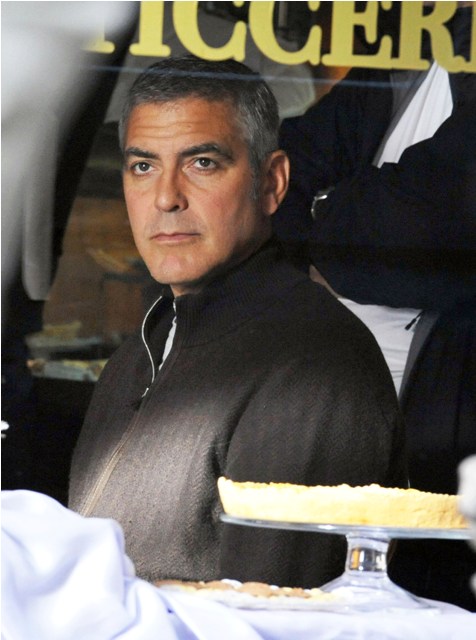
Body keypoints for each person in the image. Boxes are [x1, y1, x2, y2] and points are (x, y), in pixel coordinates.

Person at [68, 55, 407, 589]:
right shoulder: (139, 352)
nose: (166, 198)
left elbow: (275, 615)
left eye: (202, 163)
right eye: (143, 166)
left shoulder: (314, 365)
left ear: (271, 183)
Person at [272, 2, 476, 609]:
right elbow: (276, 175)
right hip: (335, 429)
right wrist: (342, 220)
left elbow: (416, 233)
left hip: (443, 461)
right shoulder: (412, 53)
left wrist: (324, 211)